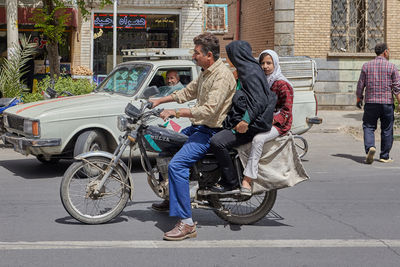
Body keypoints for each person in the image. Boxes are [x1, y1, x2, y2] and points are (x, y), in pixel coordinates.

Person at [149, 32, 236, 241]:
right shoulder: (206, 72)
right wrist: (160, 100)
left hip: (209, 131)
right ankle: (172, 197)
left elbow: (209, 110)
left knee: (176, 166)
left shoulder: (222, 76)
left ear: (209, 55)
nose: (193, 56)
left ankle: (187, 224)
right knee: (165, 147)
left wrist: (175, 113)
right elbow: (187, 92)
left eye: (196, 53)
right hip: (198, 127)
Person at [209, 40, 277, 193]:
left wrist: (246, 120)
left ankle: (230, 181)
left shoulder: (251, 72)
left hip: (250, 125)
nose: (230, 59)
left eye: (231, 55)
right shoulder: (244, 70)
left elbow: (258, 100)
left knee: (217, 142)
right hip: (241, 120)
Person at [240, 49, 294, 195]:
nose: (265, 66)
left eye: (269, 63)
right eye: (262, 63)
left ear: (275, 64)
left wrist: (271, 120)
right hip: (262, 120)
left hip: (278, 124)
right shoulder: (262, 81)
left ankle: (248, 179)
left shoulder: (282, 84)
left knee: (258, 139)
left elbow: (286, 112)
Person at [356, 43, 400, 164]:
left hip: (371, 103)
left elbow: (360, 85)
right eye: (389, 51)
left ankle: (370, 147)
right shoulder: (392, 67)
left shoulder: (366, 66)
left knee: (368, 126)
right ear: (385, 52)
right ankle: (384, 156)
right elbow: (397, 88)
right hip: (387, 103)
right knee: (387, 129)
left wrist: (359, 99)